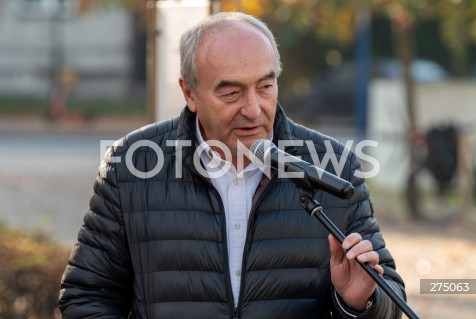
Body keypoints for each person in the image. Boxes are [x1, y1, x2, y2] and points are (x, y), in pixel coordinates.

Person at [58, 11, 406, 319]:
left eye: (266, 87)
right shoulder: (131, 165)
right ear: (189, 93)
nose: (253, 109)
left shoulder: (335, 168)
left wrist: (361, 303)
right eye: (231, 93)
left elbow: (389, 299)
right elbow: (87, 297)